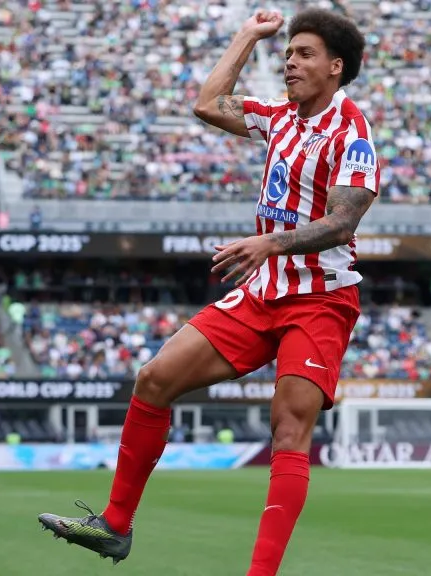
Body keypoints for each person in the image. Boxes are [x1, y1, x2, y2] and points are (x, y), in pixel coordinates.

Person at [37, 7, 378, 575]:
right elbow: (208, 103)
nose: (290, 63)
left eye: (304, 54)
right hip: (263, 292)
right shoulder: (280, 117)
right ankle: (115, 526)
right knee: (154, 379)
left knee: (288, 429)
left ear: (336, 67)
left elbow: (344, 223)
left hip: (319, 300)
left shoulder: (353, 132)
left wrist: (270, 243)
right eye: (288, 53)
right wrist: (247, 35)